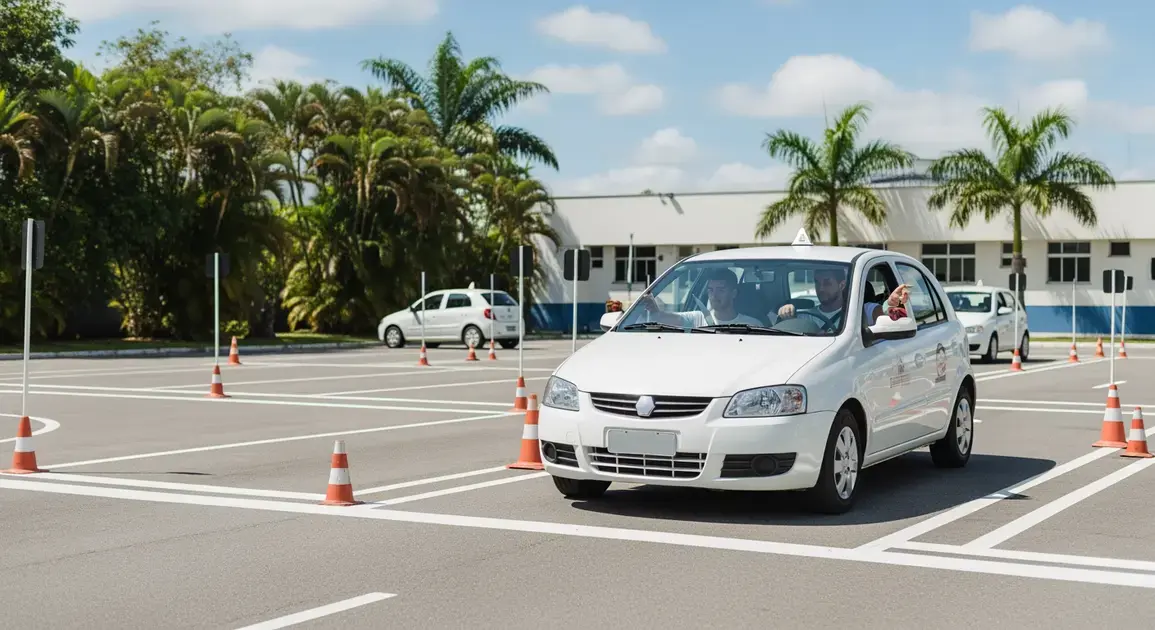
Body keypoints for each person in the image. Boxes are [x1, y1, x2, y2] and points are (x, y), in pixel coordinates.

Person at [777, 267, 910, 329]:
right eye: (817, 282)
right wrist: (786, 314)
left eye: (827, 283)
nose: (821, 288)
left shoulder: (863, 311)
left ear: (842, 285)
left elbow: (886, 316)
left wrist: (890, 304)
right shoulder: (806, 316)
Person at [635, 267, 764, 328]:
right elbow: (664, 318)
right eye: (710, 289)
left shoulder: (752, 325)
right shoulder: (697, 318)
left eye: (721, 290)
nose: (714, 295)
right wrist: (652, 309)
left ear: (734, 293)